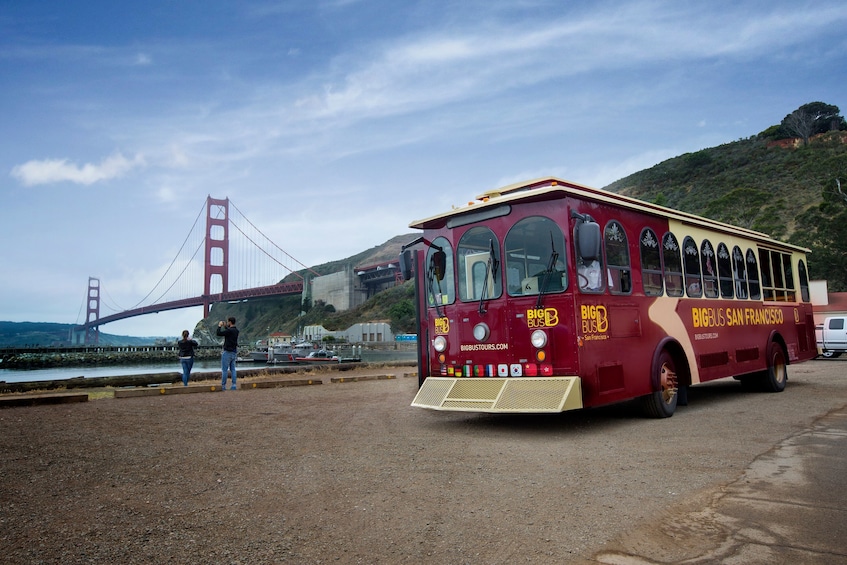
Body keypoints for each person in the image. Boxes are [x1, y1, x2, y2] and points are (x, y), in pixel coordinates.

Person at [217, 317, 239, 390]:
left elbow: (219, 333)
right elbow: (229, 331)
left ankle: (223, 386)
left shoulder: (229, 331)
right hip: (234, 351)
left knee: (224, 370)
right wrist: (226, 326)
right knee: (233, 369)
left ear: (230, 322)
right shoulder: (236, 331)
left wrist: (219, 326)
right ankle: (234, 385)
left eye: (228, 322)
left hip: (227, 352)